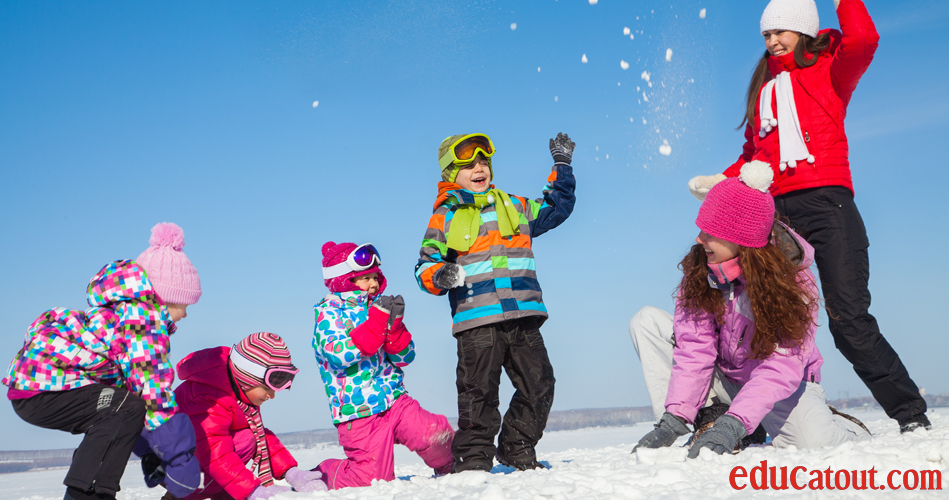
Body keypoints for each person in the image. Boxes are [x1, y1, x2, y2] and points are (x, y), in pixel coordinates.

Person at [686, 0, 929, 433]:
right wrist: (719, 180)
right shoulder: (764, 92)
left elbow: (865, 39)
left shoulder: (830, 70)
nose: (773, 41)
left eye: (781, 31)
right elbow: (752, 156)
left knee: (848, 319)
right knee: (764, 312)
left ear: (803, 32)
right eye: (766, 34)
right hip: (776, 215)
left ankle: (910, 414)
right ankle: (765, 412)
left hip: (827, 207)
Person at [631, 162, 870, 457]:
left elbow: (783, 365)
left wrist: (735, 423)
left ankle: (842, 425)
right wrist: (675, 419)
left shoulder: (793, 280)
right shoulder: (702, 271)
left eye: (710, 232)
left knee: (813, 443)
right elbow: (695, 348)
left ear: (740, 239)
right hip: (727, 379)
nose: (699, 239)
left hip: (782, 386)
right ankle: (708, 419)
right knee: (647, 321)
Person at [2, 222, 203, 500]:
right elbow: (155, 395)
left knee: (123, 405)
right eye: (184, 305)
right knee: (124, 405)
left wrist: (151, 454)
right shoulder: (143, 322)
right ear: (166, 297)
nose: (185, 315)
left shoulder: (122, 317)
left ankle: (89, 491)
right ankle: (89, 495)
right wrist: (181, 464)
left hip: (37, 390)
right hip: (44, 390)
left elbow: (136, 403)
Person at [415, 132, 576, 472]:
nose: (480, 167)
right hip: (478, 322)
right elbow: (424, 267)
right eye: (469, 164)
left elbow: (555, 208)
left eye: (484, 161)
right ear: (449, 174)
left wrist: (561, 166)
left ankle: (516, 447)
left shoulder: (514, 206)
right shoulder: (445, 217)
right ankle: (472, 463)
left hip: (523, 316)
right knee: (479, 396)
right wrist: (441, 274)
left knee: (541, 384)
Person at [312, 241, 454, 489]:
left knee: (434, 434)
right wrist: (376, 326)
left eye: (375, 277)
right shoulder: (328, 315)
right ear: (345, 281)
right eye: (365, 278)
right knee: (371, 479)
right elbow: (340, 355)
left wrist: (395, 332)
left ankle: (453, 467)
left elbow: (406, 358)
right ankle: (323, 474)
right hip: (358, 412)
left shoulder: (377, 309)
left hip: (394, 398)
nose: (374, 284)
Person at [169, 332, 326, 500]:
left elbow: (261, 438)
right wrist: (253, 491)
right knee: (245, 439)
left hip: (196, 458)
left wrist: (292, 473)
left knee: (249, 436)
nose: (271, 396)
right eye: (267, 389)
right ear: (248, 378)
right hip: (176, 466)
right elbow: (213, 449)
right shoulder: (211, 398)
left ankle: (225, 492)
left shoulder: (240, 394)